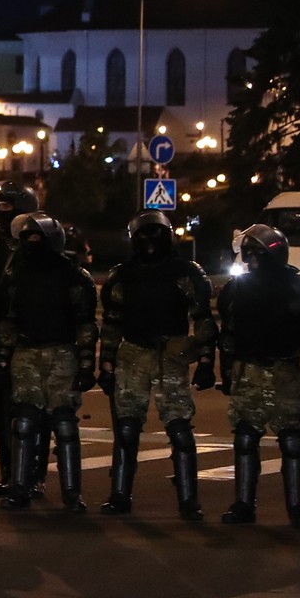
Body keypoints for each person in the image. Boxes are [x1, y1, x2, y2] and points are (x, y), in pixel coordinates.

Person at [98, 210, 216, 519]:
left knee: (179, 429)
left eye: (156, 235)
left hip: (171, 356)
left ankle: (189, 499)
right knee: (126, 429)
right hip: (133, 353)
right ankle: (120, 495)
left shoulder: (185, 273)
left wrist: (206, 360)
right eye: (143, 236)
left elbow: (202, 317)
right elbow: (112, 322)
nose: (150, 243)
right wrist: (106, 362)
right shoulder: (123, 275)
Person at [0, 213, 98, 512]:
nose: (32, 244)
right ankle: (20, 488)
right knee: (25, 422)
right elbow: (8, 320)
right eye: (28, 238)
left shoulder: (73, 276)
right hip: (26, 351)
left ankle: (71, 493)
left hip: (61, 352)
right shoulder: (15, 275)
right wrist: (2, 360)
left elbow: (85, 324)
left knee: (64, 424)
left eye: (38, 238)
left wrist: (86, 364)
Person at [216, 225, 300, 527]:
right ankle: (244, 504)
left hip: (285, 370)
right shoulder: (239, 287)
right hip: (249, 369)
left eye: (258, 254)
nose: (252, 260)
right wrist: (226, 370)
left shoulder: (298, 285)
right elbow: (228, 330)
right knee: (245, 437)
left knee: (292, 441)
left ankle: (298, 509)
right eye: (249, 253)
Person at [0, 180, 40, 496]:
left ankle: (34, 474)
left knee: (33, 410)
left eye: (6, 206)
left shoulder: (42, 247)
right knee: (1, 410)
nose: (1, 214)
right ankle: (8, 471)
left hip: (33, 338)